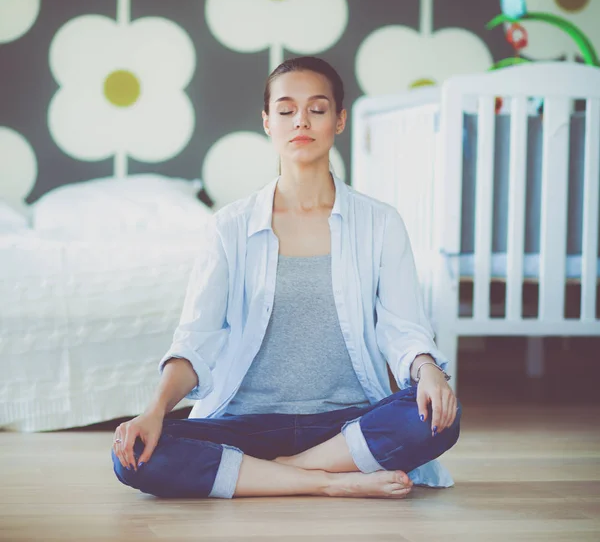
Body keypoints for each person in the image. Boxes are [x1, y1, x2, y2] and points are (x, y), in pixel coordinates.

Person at [111, 56, 461, 500]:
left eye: (317, 109)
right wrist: (154, 411)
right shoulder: (229, 227)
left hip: (346, 424)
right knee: (136, 458)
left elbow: (402, 327)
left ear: (339, 120)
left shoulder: (381, 222)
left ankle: (275, 474)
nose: (301, 121)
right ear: (266, 122)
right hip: (246, 423)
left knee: (437, 413)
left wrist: (428, 370)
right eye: (285, 110)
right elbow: (195, 340)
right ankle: (329, 482)